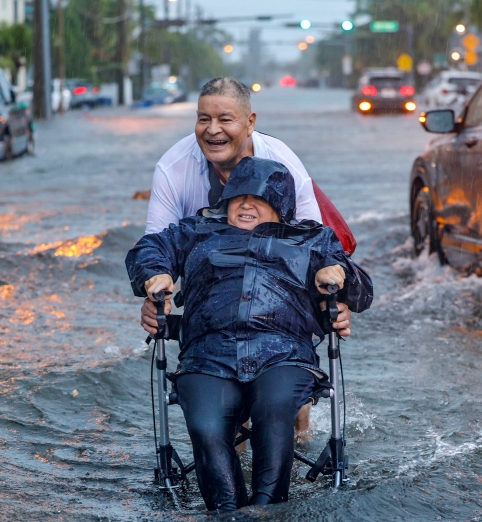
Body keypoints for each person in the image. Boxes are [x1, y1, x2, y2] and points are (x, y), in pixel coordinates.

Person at [126, 157, 373, 511]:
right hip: (207, 355)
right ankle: (226, 517)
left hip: (284, 354)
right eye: (238, 197)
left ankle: (267, 513)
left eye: (258, 199)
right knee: (206, 426)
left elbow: (363, 294)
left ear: (281, 205)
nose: (245, 205)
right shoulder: (196, 231)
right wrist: (154, 274)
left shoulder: (313, 239)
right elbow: (148, 248)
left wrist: (339, 271)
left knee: (274, 411)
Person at [140, 76, 353, 337]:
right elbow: (156, 245)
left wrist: (332, 298)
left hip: (276, 302)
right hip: (212, 297)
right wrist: (154, 288)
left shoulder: (283, 163)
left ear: (250, 122)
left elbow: (313, 243)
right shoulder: (173, 168)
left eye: (225, 120)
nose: (212, 130)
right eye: (203, 119)